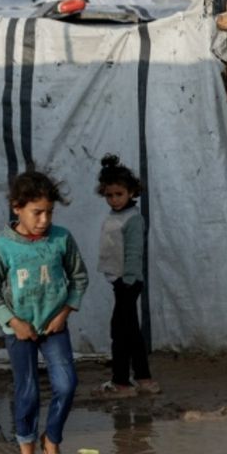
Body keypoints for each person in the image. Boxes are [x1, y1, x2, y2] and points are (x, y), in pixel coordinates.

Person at [0, 170, 89, 454]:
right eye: (36, 212)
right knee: (26, 394)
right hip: (19, 332)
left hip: (54, 326)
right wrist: (13, 322)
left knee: (67, 385)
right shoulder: (2, 246)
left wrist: (65, 311)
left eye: (49, 212)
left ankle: (51, 439)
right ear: (17, 207)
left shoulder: (61, 239)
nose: (44, 220)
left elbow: (79, 278)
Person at [95, 154, 160, 399]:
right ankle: (144, 379)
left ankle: (121, 382)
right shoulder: (117, 215)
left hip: (127, 283)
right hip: (120, 282)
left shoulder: (133, 219)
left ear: (131, 192)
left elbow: (134, 253)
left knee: (120, 332)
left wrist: (128, 281)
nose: (113, 199)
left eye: (119, 194)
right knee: (130, 331)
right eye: (109, 195)